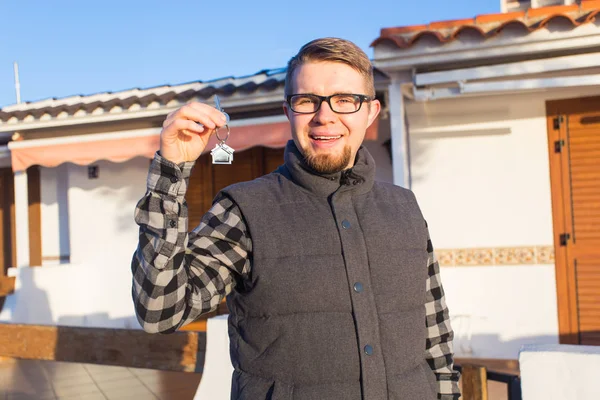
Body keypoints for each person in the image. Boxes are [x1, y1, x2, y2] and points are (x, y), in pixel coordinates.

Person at [132, 37, 460, 399]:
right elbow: (159, 311)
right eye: (307, 101)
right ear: (288, 111)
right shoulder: (243, 210)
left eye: (345, 100)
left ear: (371, 112)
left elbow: (436, 339)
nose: (325, 116)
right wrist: (171, 173)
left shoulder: (405, 208)